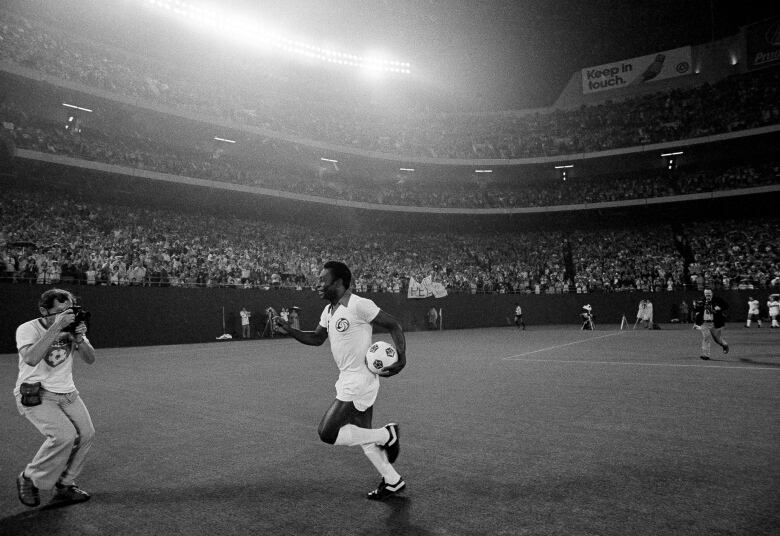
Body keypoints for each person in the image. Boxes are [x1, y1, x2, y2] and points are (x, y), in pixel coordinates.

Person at [273, 261, 407, 500]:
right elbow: (316, 338)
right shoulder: (329, 311)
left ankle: (387, 435)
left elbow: (393, 324)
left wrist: (402, 357)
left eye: (323, 280)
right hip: (349, 378)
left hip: (359, 380)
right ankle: (392, 480)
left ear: (339, 283)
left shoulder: (358, 304)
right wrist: (290, 330)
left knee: (327, 432)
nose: (318, 285)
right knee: (364, 437)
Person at [14, 288, 96, 507]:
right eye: (59, 311)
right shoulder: (27, 328)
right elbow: (31, 358)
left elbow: (90, 359)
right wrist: (58, 327)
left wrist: (80, 339)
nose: (65, 315)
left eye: (68, 310)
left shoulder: (71, 326)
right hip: (37, 392)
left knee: (86, 434)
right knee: (64, 436)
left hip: (68, 392)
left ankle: (66, 484)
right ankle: (29, 477)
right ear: (44, 311)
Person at [693, 288, 729, 360]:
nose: (707, 295)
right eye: (706, 293)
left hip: (715, 323)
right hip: (704, 323)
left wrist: (720, 308)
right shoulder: (702, 300)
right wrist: (695, 306)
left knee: (717, 339)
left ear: (712, 293)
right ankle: (706, 355)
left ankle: (724, 345)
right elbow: (698, 311)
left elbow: (726, 306)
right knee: (706, 337)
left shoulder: (718, 299)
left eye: (709, 293)